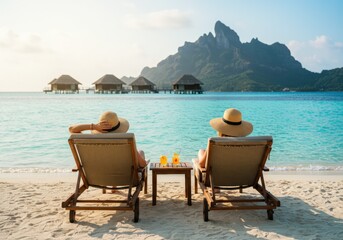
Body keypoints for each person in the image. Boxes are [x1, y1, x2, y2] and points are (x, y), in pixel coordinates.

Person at [69, 111, 147, 168]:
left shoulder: (90, 142)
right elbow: (142, 164)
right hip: (124, 178)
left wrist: (94, 126)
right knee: (141, 152)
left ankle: (112, 188)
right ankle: (113, 187)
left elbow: (71, 129)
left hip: (97, 177)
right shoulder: (126, 142)